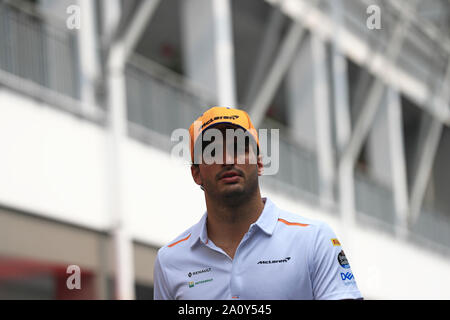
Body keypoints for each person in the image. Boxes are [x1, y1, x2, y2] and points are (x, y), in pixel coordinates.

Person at [153, 106, 362, 300]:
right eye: (213, 152)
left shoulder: (313, 239)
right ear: (196, 173)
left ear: (260, 163)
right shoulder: (170, 260)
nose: (227, 160)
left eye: (238, 148)